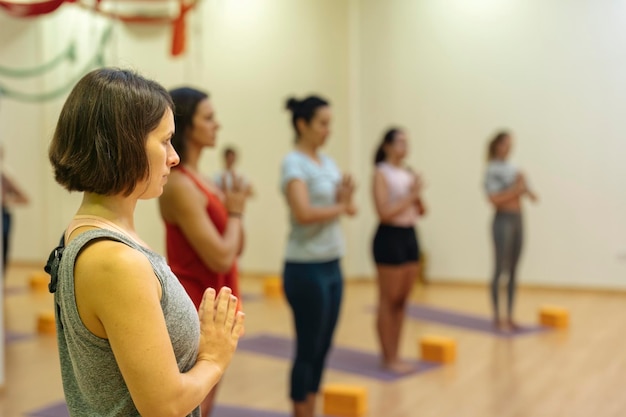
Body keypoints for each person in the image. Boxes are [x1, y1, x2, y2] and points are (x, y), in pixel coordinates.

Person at [46, 68, 244, 417]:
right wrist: (214, 359)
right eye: (165, 140)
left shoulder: (93, 234)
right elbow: (164, 406)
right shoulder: (115, 261)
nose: (174, 156)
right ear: (125, 144)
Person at [159, 87, 249, 417]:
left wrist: (235, 212)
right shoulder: (180, 184)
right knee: (193, 405)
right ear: (188, 126)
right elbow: (221, 256)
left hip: (218, 301)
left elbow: (236, 246)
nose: (217, 125)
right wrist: (236, 213)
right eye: (208, 118)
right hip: (196, 303)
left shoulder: (206, 181)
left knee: (206, 404)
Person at [280, 95, 356, 417]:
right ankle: (302, 410)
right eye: (322, 124)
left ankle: (312, 408)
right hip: (305, 269)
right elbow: (304, 212)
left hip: (332, 264)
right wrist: (342, 206)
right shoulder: (293, 163)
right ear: (302, 124)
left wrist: (344, 197)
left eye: (330, 124)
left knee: (324, 347)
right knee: (308, 348)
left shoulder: (328, 163)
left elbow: (337, 206)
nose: (328, 130)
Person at [371, 128, 426, 373]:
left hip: (409, 234)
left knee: (402, 300)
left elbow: (421, 210)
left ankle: (397, 353)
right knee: (388, 299)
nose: (405, 146)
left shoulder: (408, 172)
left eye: (407, 142)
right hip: (389, 236)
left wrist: (417, 195)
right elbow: (384, 212)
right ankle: (387, 356)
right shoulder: (381, 173)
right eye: (400, 142)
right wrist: (411, 195)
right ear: (388, 146)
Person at [484, 130, 537, 331]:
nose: (508, 147)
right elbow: (493, 199)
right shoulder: (492, 169)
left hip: (518, 219)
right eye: (505, 143)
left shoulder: (515, 168)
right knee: (500, 268)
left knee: (514, 269)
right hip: (502, 220)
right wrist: (515, 190)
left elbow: (531, 195)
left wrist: (524, 187)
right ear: (497, 145)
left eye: (510, 144)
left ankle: (511, 315)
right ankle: (498, 316)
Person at [1, 144, 29, 273]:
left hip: (3, 214)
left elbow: (24, 198)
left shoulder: (4, 174)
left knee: (3, 248)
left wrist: (6, 200)